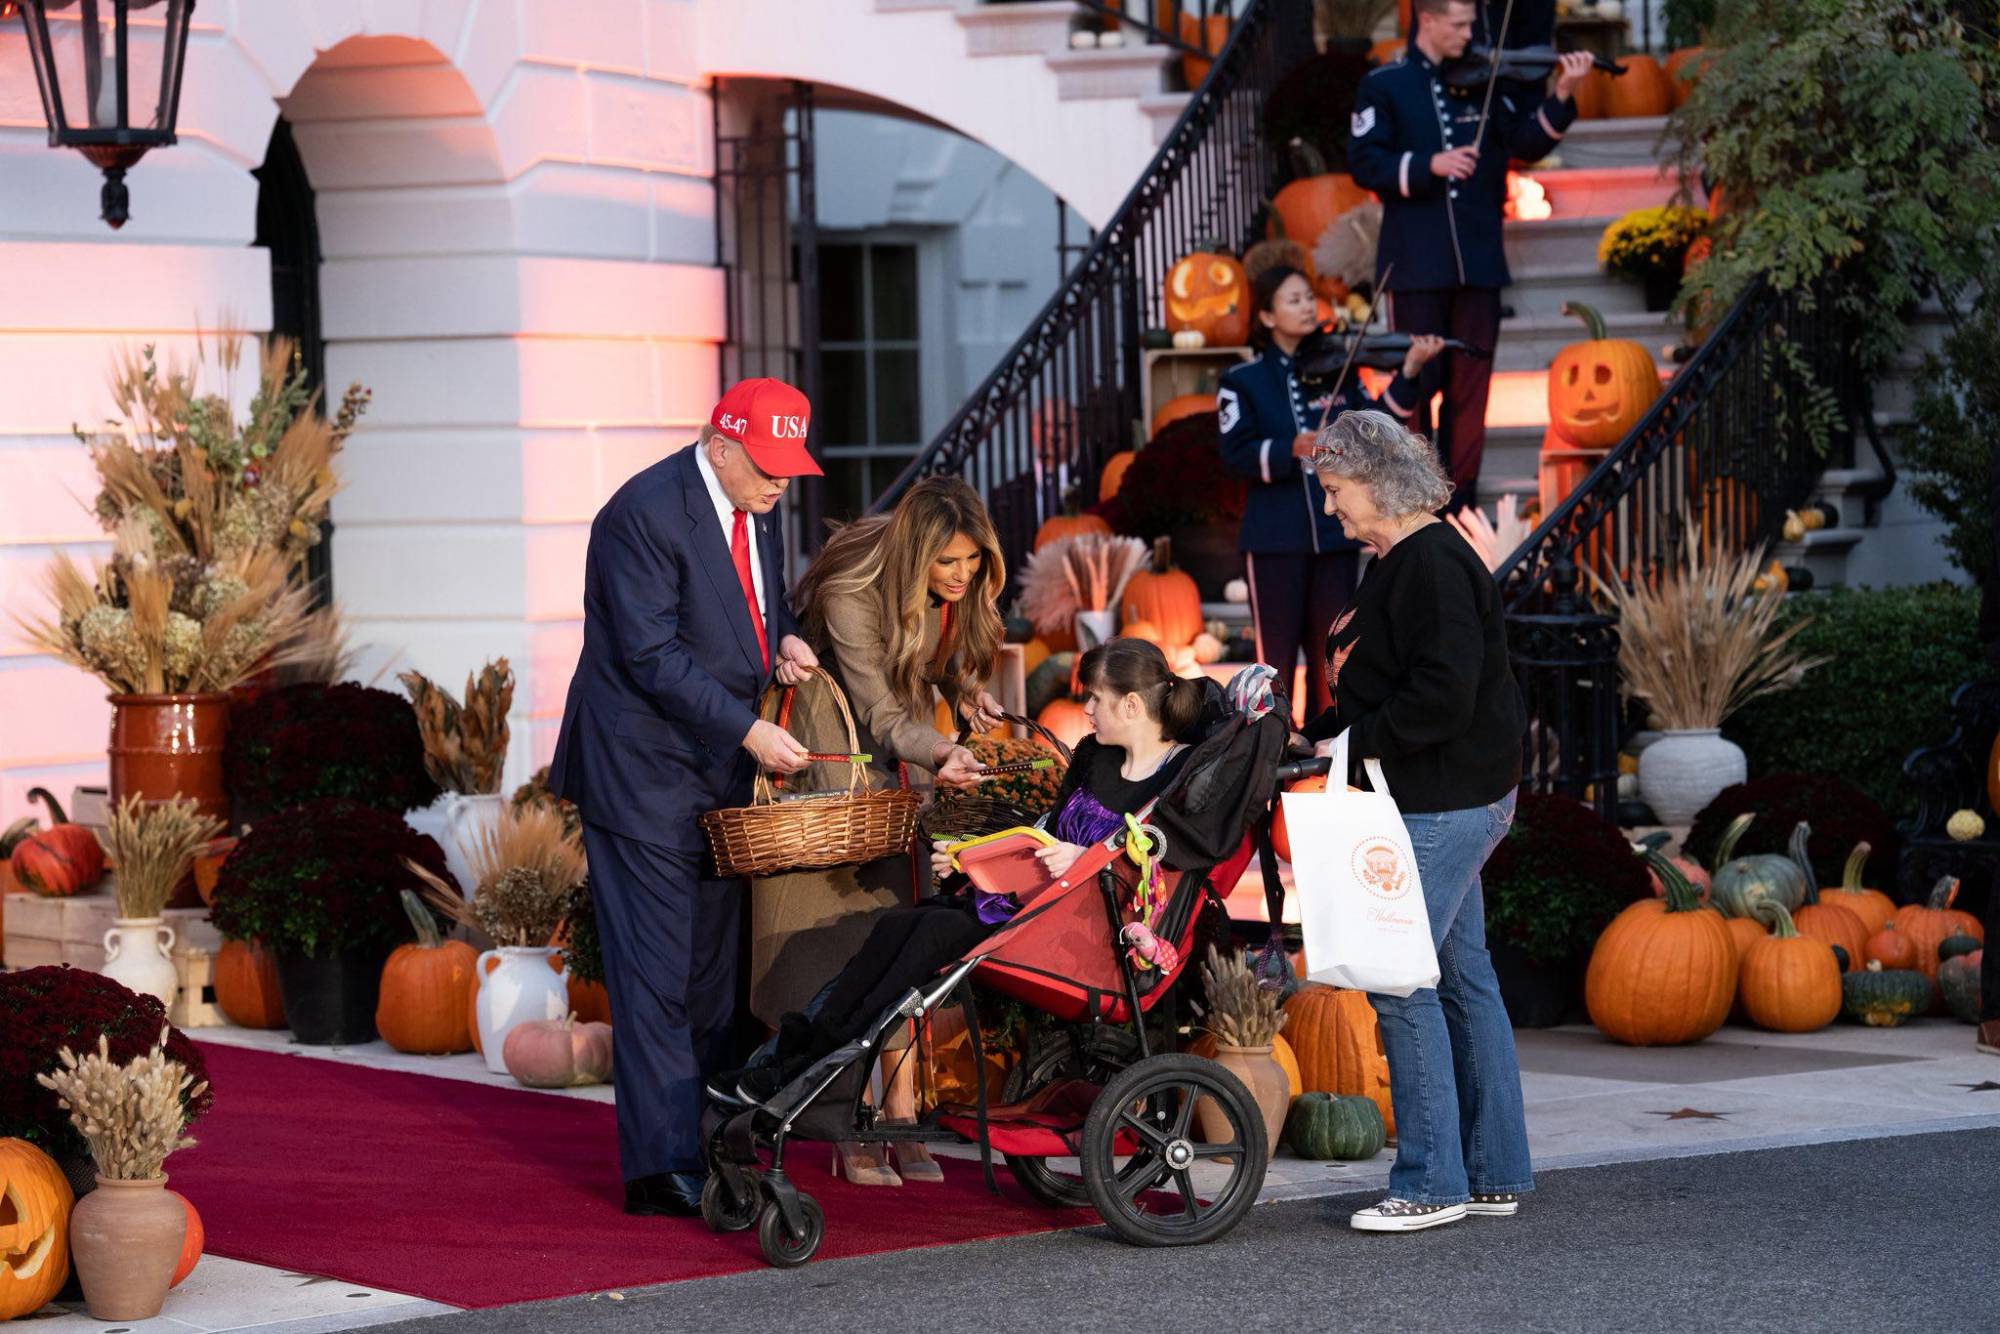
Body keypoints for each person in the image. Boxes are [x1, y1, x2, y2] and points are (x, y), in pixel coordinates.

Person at [547, 378, 823, 1219]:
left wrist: (775, 643)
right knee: (658, 977)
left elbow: (730, 609)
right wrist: (748, 729)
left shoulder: (753, 505)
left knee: (710, 975)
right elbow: (651, 654)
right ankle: (658, 1169)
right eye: (768, 467)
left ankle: (706, 1141)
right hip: (640, 776)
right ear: (721, 443)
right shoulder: (642, 514)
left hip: (712, 775)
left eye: (789, 468)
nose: (780, 484)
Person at [735, 639, 1203, 1120]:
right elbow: (1042, 828)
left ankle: (804, 1060)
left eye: (1095, 699)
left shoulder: (1177, 775)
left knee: (922, 941)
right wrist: (968, 857)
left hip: (1072, 925)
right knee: (896, 927)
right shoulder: (1095, 755)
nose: (1085, 709)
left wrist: (1088, 857)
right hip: (1022, 897)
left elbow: (1158, 859)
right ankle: (801, 1047)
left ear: (1130, 704)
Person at [1301, 409, 1532, 1232]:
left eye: (1335, 491)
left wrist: (1350, 740)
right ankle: (1495, 1172)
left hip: (1446, 799)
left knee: (1399, 980)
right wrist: (1324, 734)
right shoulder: (1403, 559)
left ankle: (1433, 1182)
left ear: (1376, 482)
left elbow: (1442, 694)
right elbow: (1395, 682)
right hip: (1443, 793)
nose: (1330, 508)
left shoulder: (1430, 562)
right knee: (1464, 979)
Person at [754, 476, 1008, 1185]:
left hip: (902, 760)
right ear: (914, 553)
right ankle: (844, 1123)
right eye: (946, 563)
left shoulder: (956, 593)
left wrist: (964, 693)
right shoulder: (852, 592)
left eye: (972, 563)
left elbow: (936, 666)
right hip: (833, 760)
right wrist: (939, 746)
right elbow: (879, 714)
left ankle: (898, 1110)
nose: (961, 577)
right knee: (842, 933)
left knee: (901, 922)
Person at [1348, 0, 1594, 512]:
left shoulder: (1486, 83)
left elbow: (1525, 143)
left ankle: (1460, 507)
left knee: (1470, 395)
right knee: (1415, 386)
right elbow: (1365, 163)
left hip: (1478, 264)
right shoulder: (1385, 83)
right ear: (1429, 21)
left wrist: (1563, 94)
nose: (1470, 33)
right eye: (1459, 24)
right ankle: (1409, 509)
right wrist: (1428, 164)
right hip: (1416, 266)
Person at [1218, 264, 1443, 719]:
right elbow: (1233, 453)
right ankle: (1269, 759)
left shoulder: (1336, 367)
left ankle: (1329, 761)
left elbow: (1379, 425)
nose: (1306, 307)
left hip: (1334, 534)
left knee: (1336, 658)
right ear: (1265, 316)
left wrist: (1410, 371)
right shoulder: (1242, 381)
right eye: (1293, 300)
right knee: (1273, 663)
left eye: (1308, 298)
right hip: (1274, 540)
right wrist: (1288, 448)